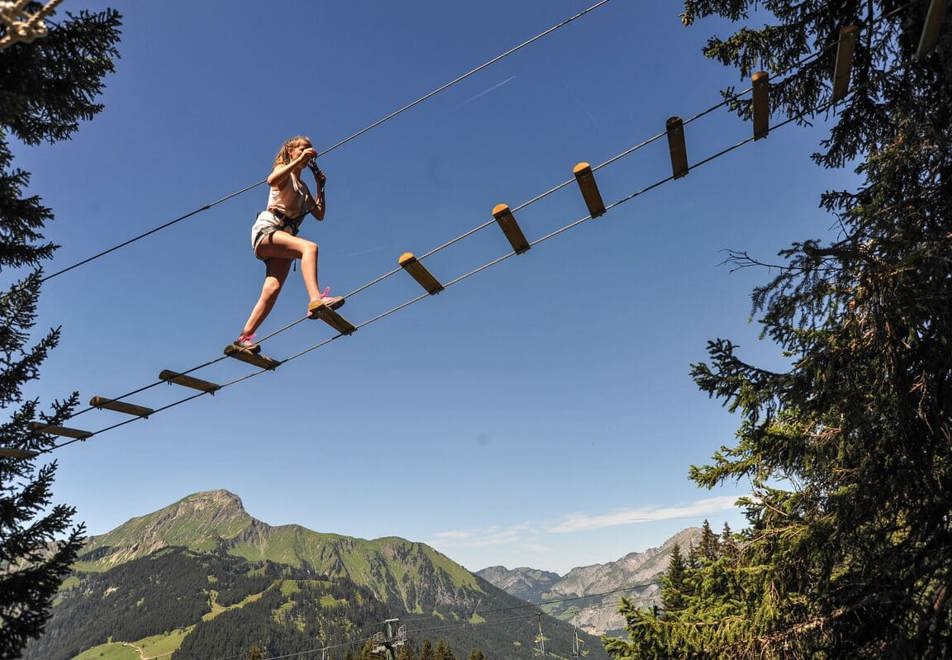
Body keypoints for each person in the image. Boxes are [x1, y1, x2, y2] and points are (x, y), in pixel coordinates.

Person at [232, 136, 343, 352]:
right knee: (309, 248)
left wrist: (321, 187)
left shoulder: (302, 187)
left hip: (284, 237)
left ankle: (244, 338)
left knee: (272, 289)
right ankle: (316, 299)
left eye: (308, 148)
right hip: (269, 229)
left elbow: (319, 214)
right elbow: (272, 180)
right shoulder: (284, 169)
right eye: (301, 148)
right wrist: (298, 160)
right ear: (290, 151)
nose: (306, 151)